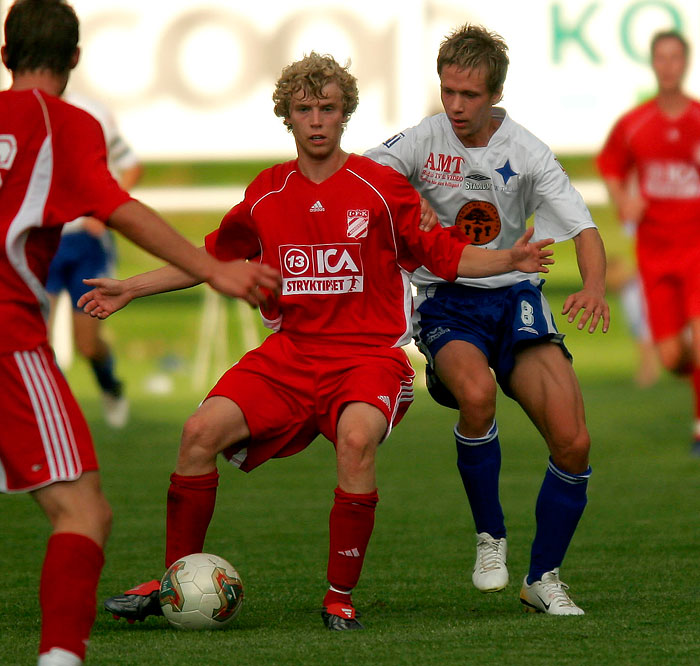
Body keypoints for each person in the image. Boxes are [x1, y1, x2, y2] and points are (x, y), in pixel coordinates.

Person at [82, 52, 554, 631]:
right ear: (287, 115)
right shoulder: (266, 193)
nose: (316, 120)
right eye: (304, 109)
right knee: (198, 434)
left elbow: (445, 256)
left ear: (344, 114)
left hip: (367, 360)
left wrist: (511, 257)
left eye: (327, 108)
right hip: (290, 356)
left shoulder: (380, 187)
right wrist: (130, 287)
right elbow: (211, 259)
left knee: (357, 440)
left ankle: (338, 597)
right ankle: (174, 581)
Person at [0, 2, 280, 664]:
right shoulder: (60, 122)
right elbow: (119, 207)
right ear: (74, 58)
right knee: (85, 515)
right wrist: (213, 268)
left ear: (6, 50)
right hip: (8, 338)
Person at [365, 24, 610, 615]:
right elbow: (363, 175)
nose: (454, 106)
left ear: (495, 93)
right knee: (476, 395)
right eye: (447, 91)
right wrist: (404, 195)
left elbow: (585, 228)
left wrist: (595, 288)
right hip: (448, 298)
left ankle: (543, 579)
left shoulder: (526, 152)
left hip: (516, 299)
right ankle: (490, 538)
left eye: (468, 95)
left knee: (574, 442)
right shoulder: (423, 139)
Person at [597, 30, 700, 455]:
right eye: (661, 57)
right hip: (656, 255)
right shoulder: (635, 124)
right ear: (653, 63)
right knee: (674, 356)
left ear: (686, 62)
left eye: (676, 57)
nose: (669, 65)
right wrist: (625, 201)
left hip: (696, 249)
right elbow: (610, 166)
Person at [47, 92, 144, 428]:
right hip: (39, 240)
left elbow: (131, 166)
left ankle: (110, 386)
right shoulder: (15, 112)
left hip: (85, 243)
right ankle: (54, 414)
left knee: (87, 343)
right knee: (35, 339)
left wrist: (102, 214)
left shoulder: (91, 113)